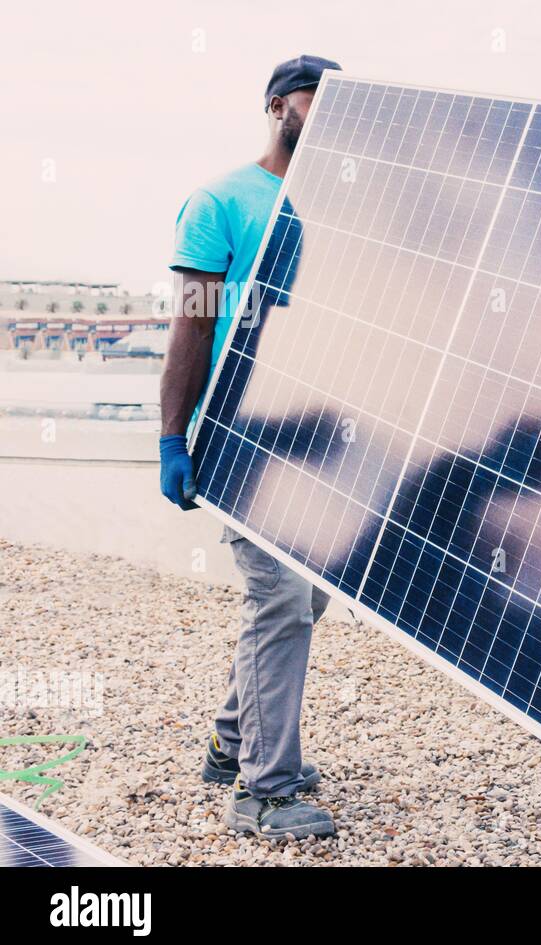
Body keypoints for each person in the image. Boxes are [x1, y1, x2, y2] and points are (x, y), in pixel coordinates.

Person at [159, 54, 342, 840]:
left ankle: (232, 742)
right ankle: (264, 793)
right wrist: (173, 436)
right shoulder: (220, 201)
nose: (329, 113)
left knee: (316, 592)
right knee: (279, 598)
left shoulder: (343, 211)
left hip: (304, 428)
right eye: (316, 99)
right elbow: (193, 322)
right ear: (277, 106)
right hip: (237, 432)